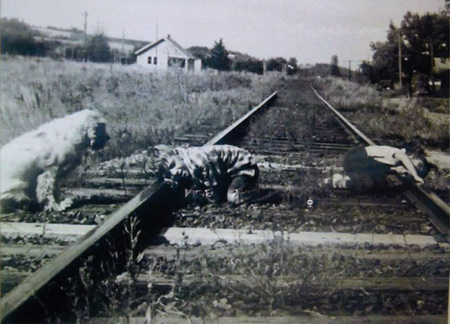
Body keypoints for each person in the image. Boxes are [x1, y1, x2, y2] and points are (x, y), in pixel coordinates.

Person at [152, 144, 280, 205]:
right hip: (226, 173)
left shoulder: (201, 160)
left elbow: (214, 196)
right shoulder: (184, 162)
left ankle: (275, 194)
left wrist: (196, 197)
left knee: (233, 197)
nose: (175, 172)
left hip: (243, 168)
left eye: (173, 165)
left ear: (177, 154)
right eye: (170, 173)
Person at [324, 145, 428, 191]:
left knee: (380, 184)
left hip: (361, 164)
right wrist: (415, 175)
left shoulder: (395, 163)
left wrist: (396, 170)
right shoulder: (398, 153)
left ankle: (342, 180)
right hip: (355, 158)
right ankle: (338, 180)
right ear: (411, 157)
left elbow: (381, 167)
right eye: (413, 165)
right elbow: (403, 157)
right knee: (369, 184)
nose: (411, 168)